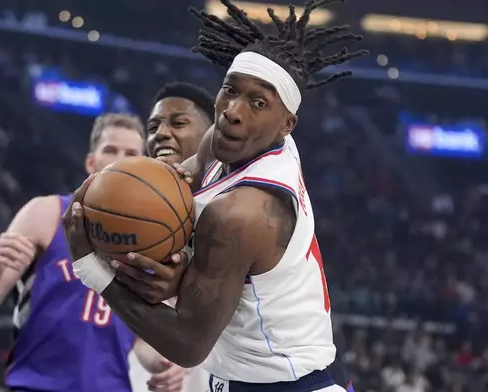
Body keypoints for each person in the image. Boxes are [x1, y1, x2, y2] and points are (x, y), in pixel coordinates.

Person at [65, 0, 368, 391]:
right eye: (229, 90)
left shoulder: (241, 215)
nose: (232, 111)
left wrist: (93, 268)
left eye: (258, 102)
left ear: (287, 124)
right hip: (244, 373)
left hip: (285, 383)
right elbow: (177, 182)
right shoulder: (237, 138)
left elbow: (188, 345)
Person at [0, 113, 186, 392]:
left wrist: (167, 364)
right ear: (91, 162)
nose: (120, 159)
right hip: (38, 385)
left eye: (130, 154)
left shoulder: (153, 241)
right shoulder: (46, 213)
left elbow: (140, 340)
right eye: (110, 150)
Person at [131, 81, 216, 392]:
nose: (161, 134)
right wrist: (162, 361)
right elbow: (140, 334)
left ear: (213, 136)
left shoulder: (235, 205)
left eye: (178, 122)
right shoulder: (139, 219)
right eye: (153, 126)